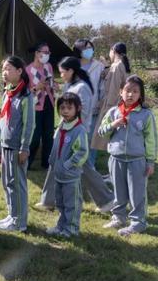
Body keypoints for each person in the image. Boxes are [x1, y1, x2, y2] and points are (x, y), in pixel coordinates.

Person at [36, 57, 114, 212]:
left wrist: (74, 131)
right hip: (64, 132)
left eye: (63, 72)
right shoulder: (72, 85)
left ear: (71, 71)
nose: (61, 75)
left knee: (85, 168)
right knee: (55, 162)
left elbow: (83, 113)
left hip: (74, 135)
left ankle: (107, 199)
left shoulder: (82, 87)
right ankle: (48, 200)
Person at [98, 75, 157, 236]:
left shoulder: (145, 115)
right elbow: (101, 131)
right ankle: (119, 217)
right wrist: (113, 124)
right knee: (119, 191)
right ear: (120, 92)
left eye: (135, 92)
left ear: (140, 94)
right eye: (127, 91)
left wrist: (150, 161)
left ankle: (138, 223)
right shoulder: (113, 112)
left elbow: (151, 140)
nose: (130, 95)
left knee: (137, 193)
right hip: (116, 159)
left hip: (136, 161)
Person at [0, 56, 35, 233]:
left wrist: (24, 147)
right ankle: (12, 215)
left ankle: (20, 221)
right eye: (3, 69)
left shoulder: (25, 96)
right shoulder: (8, 92)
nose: (4, 72)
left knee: (17, 184)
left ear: (20, 71)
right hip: (5, 145)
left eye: (8, 69)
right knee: (7, 182)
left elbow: (29, 125)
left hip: (16, 147)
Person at [46, 93, 88, 238]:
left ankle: (71, 228)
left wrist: (67, 165)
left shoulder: (79, 130)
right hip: (58, 174)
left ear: (78, 108)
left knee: (72, 204)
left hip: (70, 176)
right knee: (61, 203)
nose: (65, 111)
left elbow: (82, 152)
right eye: (62, 107)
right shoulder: (61, 125)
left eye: (69, 108)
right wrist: (53, 162)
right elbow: (56, 146)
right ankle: (61, 225)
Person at [92, 42, 131, 153]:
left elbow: (113, 89)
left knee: (105, 134)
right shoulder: (119, 65)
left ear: (113, 51)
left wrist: (108, 108)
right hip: (116, 103)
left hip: (111, 104)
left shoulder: (117, 66)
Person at [73, 38, 103, 166]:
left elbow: (102, 87)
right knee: (76, 138)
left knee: (91, 139)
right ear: (79, 50)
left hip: (93, 108)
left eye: (91, 48)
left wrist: (101, 101)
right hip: (75, 108)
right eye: (86, 48)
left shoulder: (99, 66)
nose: (90, 51)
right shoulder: (73, 66)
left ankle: (90, 167)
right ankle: (75, 165)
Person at [26, 42, 56, 169]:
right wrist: (36, 88)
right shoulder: (28, 70)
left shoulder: (48, 67)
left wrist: (54, 85)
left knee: (49, 135)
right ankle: (27, 162)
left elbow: (51, 82)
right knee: (35, 137)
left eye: (48, 52)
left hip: (49, 103)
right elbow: (26, 92)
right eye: (45, 52)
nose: (47, 55)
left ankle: (46, 163)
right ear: (37, 53)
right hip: (35, 106)